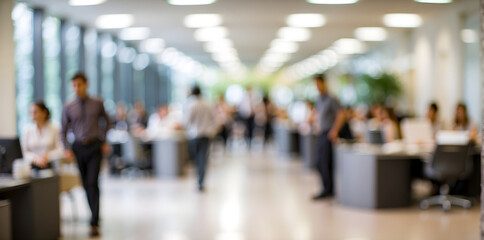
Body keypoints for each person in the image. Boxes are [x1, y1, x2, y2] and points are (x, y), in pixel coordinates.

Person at [61, 72, 111, 237]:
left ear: (86, 84)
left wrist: (104, 139)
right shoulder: (69, 106)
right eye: (74, 85)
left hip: (95, 146)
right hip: (78, 148)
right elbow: (63, 130)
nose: (76, 88)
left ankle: (94, 221)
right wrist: (67, 148)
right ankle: (94, 214)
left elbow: (108, 121)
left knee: (92, 182)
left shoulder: (97, 103)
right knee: (85, 184)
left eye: (79, 85)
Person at [312, 74, 345, 200]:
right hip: (320, 133)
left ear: (324, 83)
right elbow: (317, 114)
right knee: (318, 162)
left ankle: (328, 190)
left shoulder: (331, 99)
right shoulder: (319, 99)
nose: (317, 87)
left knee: (325, 163)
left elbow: (341, 115)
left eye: (318, 84)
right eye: (315, 85)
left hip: (328, 134)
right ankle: (327, 188)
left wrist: (335, 130)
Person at [183, 86, 217, 192]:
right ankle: (200, 181)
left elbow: (186, 122)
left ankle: (198, 179)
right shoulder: (207, 104)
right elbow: (215, 119)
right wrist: (212, 130)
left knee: (196, 159)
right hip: (206, 135)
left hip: (193, 136)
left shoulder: (190, 104)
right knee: (203, 158)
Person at [21, 101, 63, 170]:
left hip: (52, 165)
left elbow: (60, 149)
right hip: (32, 166)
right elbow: (25, 152)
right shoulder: (27, 130)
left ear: (44, 112)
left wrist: (48, 156)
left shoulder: (55, 128)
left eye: (35, 112)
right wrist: (37, 159)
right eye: (31, 113)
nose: (32, 115)